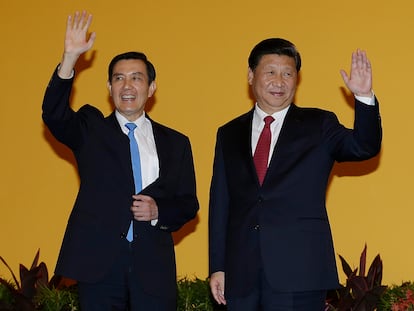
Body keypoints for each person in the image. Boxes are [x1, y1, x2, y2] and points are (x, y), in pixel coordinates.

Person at [208, 38, 382, 310]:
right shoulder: (229, 133)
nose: (280, 81)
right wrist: (218, 266)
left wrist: (363, 97)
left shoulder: (319, 124)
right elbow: (220, 203)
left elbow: (364, 146)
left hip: (299, 273)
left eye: (288, 73)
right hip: (241, 275)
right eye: (271, 72)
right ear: (251, 76)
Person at [42, 11, 199, 311]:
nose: (127, 86)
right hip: (100, 266)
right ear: (110, 88)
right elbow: (54, 114)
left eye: (136, 78)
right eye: (119, 78)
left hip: (153, 267)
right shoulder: (91, 128)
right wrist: (69, 59)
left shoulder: (176, 142)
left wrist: (157, 211)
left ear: (151, 88)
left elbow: (188, 203)